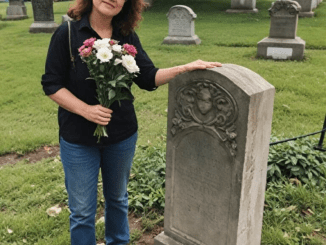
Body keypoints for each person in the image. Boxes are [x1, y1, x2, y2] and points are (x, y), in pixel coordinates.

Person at [41, 0, 222, 244]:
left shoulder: (126, 36)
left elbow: (147, 76)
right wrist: (86, 110)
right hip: (78, 139)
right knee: (83, 211)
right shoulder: (69, 32)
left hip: (121, 136)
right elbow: (51, 83)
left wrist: (184, 68)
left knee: (117, 200)